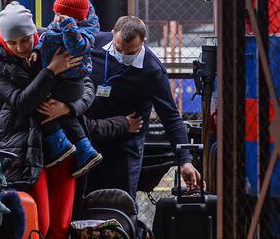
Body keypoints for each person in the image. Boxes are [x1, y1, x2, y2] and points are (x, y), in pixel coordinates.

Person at [0, 2, 96, 239]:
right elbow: (21, 102)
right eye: (12, 42)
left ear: (34, 32)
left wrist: (68, 108)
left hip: (63, 143)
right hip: (22, 147)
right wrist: (52, 71)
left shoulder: (52, 39)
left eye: (25, 40)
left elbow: (87, 84)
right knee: (38, 223)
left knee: (62, 223)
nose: (20, 48)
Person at [83, 15, 202, 202]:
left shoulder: (152, 70)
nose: (123, 55)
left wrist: (184, 161)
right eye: (119, 48)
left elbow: (171, 117)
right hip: (90, 137)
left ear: (142, 43)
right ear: (112, 34)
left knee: (121, 202)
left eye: (131, 52)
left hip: (124, 145)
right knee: (85, 199)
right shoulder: (94, 43)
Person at [32, 0, 102, 177]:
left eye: (61, 16)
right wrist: (37, 51)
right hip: (64, 81)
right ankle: (85, 150)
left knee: (42, 107)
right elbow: (46, 38)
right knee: (62, 114)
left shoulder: (81, 33)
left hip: (69, 83)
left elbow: (77, 48)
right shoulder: (59, 25)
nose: (56, 19)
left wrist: (68, 26)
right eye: (56, 14)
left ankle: (59, 143)